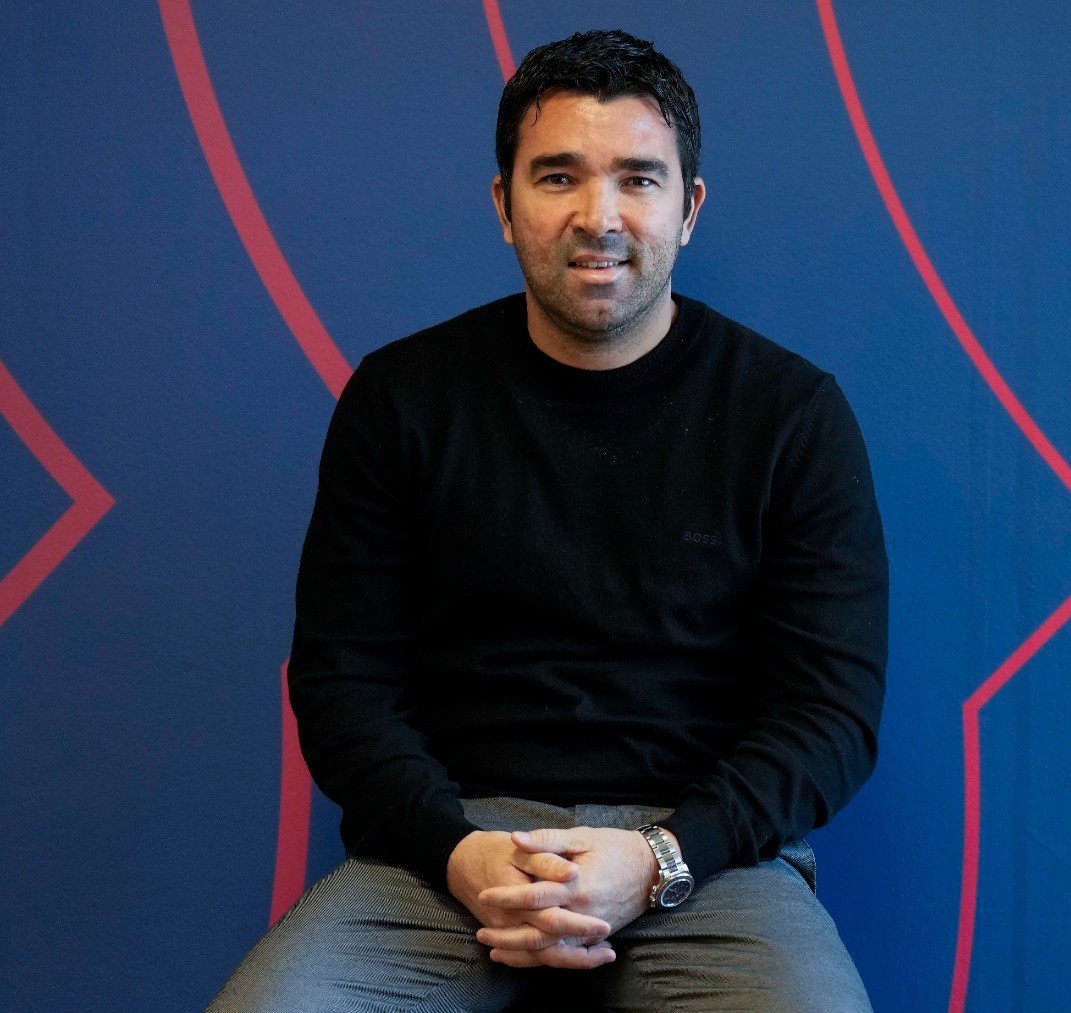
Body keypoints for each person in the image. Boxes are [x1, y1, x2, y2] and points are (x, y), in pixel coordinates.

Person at [211, 28, 886, 1011]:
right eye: (558, 176)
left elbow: (832, 715)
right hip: (448, 853)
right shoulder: (402, 399)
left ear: (689, 209)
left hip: (707, 860)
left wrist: (659, 856)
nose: (597, 216)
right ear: (504, 204)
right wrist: (459, 850)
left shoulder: (790, 415)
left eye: (638, 180)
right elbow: (341, 684)